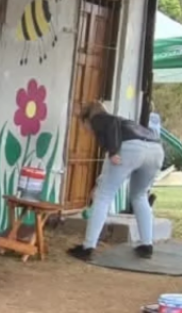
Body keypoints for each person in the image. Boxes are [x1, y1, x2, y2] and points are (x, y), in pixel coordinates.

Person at [67, 101, 164, 261]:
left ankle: (87, 247)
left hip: (131, 148)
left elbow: (110, 123)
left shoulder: (98, 118)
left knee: (103, 196)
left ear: (86, 120)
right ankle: (147, 245)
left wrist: (113, 151)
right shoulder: (125, 122)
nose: (85, 130)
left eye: (83, 125)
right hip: (155, 150)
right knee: (139, 196)